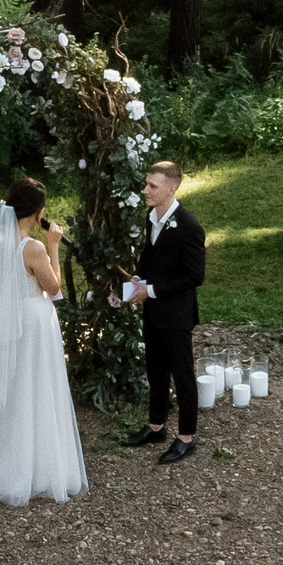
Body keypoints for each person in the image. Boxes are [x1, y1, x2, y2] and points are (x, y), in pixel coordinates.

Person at [0, 177, 88, 506]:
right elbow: (53, 289)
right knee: (37, 389)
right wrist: (53, 244)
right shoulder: (32, 248)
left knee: (16, 389)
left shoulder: (1, 243)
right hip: (35, 325)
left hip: (11, 323)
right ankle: (36, 471)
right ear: (37, 213)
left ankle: (2, 469)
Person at [125, 161, 207, 464]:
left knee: (183, 374)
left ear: (171, 189)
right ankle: (156, 426)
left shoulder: (189, 227)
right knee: (155, 369)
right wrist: (138, 279)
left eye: (152, 186)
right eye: (146, 184)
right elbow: (150, 256)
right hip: (153, 311)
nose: (145, 190)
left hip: (176, 314)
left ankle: (186, 437)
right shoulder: (152, 217)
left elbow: (195, 275)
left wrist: (154, 291)